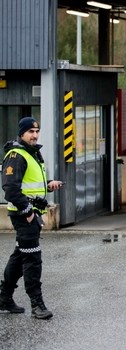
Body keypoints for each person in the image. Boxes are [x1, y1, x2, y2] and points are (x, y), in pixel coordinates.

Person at [1, 117, 64, 319]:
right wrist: (28, 211)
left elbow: (30, 184)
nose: (35, 135)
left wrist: (49, 184)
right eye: (30, 132)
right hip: (24, 216)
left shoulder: (32, 153)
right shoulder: (16, 155)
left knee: (20, 257)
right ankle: (37, 305)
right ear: (21, 134)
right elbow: (10, 189)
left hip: (32, 214)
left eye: (37, 132)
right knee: (32, 259)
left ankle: (4, 298)